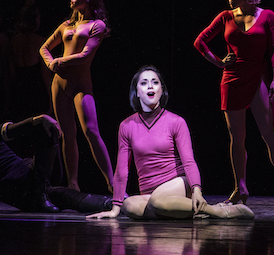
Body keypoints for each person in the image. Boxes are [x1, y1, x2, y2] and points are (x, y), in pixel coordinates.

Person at [194, 0, 274, 205]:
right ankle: (240, 188)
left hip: (258, 77)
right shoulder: (225, 16)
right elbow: (199, 41)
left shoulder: (267, 16)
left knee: (270, 135)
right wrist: (217, 61)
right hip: (232, 79)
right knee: (237, 137)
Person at [87, 66, 254, 220]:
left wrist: (197, 189)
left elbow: (188, 160)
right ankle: (188, 212)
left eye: (155, 82)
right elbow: (122, 169)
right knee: (129, 205)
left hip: (178, 183)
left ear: (161, 90)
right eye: (144, 83)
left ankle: (218, 211)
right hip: (150, 192)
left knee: (157, 202)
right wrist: (115, 208)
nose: (150, 86)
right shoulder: (126, 126)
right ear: (137, 92)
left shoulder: (176, 122)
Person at [39, 0, 113, 193]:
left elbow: (85, 56)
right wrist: (50, 62)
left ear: (88, 0)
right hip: (60, 84)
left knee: (91, 130)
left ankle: (112, 183)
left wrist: (60, 61)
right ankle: (73, 184)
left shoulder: (96, 25)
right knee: (67, 134)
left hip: (81, 84)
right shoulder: (66, 25)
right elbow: (44, 48)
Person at [10, 0, 52, 119]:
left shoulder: (13, 42)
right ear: (35, 19)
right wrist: (51, 99)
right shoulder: (40, 42)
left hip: (19, 90)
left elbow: (11, 73)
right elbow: (46, 75)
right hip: (37, 92)